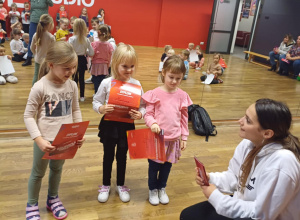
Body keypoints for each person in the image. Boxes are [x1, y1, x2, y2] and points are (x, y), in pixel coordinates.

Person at [180, 98, 300, 220]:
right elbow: (235, 177)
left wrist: (215, 197)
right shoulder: (247, 144)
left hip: (258, 216)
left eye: (248, 120)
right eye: (244, 116)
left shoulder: (282, 163)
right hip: (244, 203)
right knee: (187, 215)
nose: (240, 121)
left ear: (267, 134)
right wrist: (211, 178)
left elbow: (261, 214)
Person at [24, 41, 85, 220]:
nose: (71, 72)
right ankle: (32, 203)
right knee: (38, 173)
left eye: (73, 68)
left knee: (57, 170)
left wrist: (79, 132)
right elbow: (28, 116)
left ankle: (52, 199)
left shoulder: (72, 85)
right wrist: (39, 140)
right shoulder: (39, 87)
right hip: (44, 141)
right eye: (66, 68)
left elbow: (75, 110)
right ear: (51, 65)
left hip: (64, 140)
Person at [93, 44, 146, 203]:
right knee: (108, 155)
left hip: (126, 126)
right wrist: (101, 108)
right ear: (115, 63)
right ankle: (105, 184)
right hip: (109, 126)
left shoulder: (136, 84)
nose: (129, 70)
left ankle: (121, 184)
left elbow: (143, 105)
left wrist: (140, 114)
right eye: (125, 66)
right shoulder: (107, 83)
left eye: (132, 66)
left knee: (122, 156)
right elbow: (96, 101)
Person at [142, 55, 192, 206]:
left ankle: (162, 187)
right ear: (163, 73)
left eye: (178, 78)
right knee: (154, 167)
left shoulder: (182, 96)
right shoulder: (155, 93)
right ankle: (153, 189)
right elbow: (148, 114)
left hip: (173, 140)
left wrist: (184, 137)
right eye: (171, 77)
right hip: (157, 139)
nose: (174, 81)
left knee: (166, 167)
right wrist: (153, 123)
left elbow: (184, 118)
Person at [68, 18, 94, 102]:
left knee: (74, 78)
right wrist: (85, 51)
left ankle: (74, 96)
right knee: (82, 79)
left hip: (73, 59)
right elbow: (91, 52)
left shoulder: (71, 39)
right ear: (84, 28)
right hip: (82, 60)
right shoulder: (86, 39)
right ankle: (82, 96)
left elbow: (69, 51)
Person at [22, 0, 53, 67]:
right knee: (31, 39)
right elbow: (32, 9)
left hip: (43, 20)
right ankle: (29, 58)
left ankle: (47, 58)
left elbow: (51, 4)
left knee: (45, 39)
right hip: (33, 19)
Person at [31, 14, 55, 85]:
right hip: (48, 61)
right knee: (47, 77)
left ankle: (34, 91)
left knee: (36, 76)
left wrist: (36, 55)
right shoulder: (51, 37)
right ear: (50, 24)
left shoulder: (36, 34)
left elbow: (32, 48)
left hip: (38, 60)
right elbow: (53, 51)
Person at [90, 24, 113, 94]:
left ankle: (96, 93)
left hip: (96, 65)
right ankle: (102, 94)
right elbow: (109, 56)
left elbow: (92, 54)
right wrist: (108, 64)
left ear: (98, 33)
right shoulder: (109, 45)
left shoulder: (94, 44)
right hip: (104, 65)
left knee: (96, 81)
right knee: (103, 81)